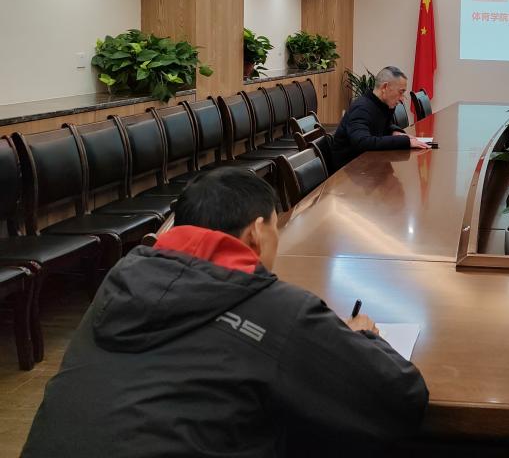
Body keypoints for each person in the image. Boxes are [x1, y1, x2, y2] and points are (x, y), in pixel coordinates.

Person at [22, 169, 429, 458]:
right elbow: (400, 398)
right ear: (256, 233)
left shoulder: (119, 281)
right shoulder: (275, 308)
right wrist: (363, 337)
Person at [332, 65, 431, 167]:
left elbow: (384, 126)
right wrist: (405, 142)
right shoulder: (361, 108)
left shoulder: (383, 104)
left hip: (369, 163)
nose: (402, 99)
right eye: (401, 92)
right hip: (349, 169)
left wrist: (394, 132)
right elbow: (362, 142)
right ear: (385, 87)